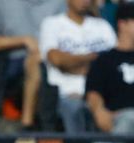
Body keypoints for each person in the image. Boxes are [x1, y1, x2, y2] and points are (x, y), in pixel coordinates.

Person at [0, 0, 64, 130]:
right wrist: (23, 40)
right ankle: (29, 124)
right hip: (12, 63)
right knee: (36, 62)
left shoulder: (61, 3)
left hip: (57, 60)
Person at [39, 0, 116, 133]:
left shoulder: (102, 26)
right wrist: (91, 58)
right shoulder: (52, 23)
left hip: (102, 96)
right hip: (67, 94)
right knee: (74, 110)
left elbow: (114, 61)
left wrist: (72, 62)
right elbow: (56, 59)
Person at [85, 3, 134, 134]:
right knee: (129, 119)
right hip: (119, 118)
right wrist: (98, 111)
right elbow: (93, 93)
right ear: (122, 24)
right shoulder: (105, 60)